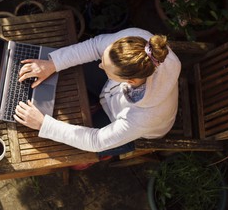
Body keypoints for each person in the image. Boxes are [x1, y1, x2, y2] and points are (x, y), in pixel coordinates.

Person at [14, 28, 181, 167]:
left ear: (129, 80)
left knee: (76, 155)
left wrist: (44, 124)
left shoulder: (143, 117)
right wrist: (53, 64)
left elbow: (96, 140)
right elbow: (94, 46)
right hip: (114, 93)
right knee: (75, 69)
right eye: (103, 60)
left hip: (134, 127)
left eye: (106, 69)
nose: (100, 65)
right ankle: (97, 101)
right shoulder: (137, 42)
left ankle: (107, 154)